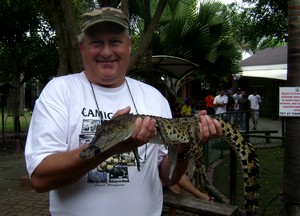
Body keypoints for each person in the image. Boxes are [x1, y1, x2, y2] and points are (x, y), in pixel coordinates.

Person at [24, 7, 222, 216]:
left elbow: (169, 178)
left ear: (128, 46)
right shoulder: (59, 90)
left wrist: (185, 147)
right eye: (96, 43)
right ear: (82, 47)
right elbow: (40, 179)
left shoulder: (154, 97)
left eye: (115, 42)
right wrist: (110, 148)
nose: (107, 52)